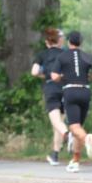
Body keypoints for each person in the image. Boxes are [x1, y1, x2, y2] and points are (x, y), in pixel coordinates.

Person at [49, 31, 92, 173]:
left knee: (74, 128)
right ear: (81, 42)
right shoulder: (88, 56)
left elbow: (54, 76)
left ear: (69, 42)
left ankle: (87, 139)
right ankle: (75, 161)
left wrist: (64, 78)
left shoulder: (62, 56)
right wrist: (90, 77)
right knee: (78, 128)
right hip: (85, 92)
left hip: (70, 91)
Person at [31, 28, 68, 165]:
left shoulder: (42, 55)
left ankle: (68, 136)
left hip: (51, 88)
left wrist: (45, 75)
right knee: (59, 123)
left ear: (47, 42)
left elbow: (34, 72)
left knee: (56, 122)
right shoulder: (66, 54)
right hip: (65, 88)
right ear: (60, 41)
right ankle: (55, 155)